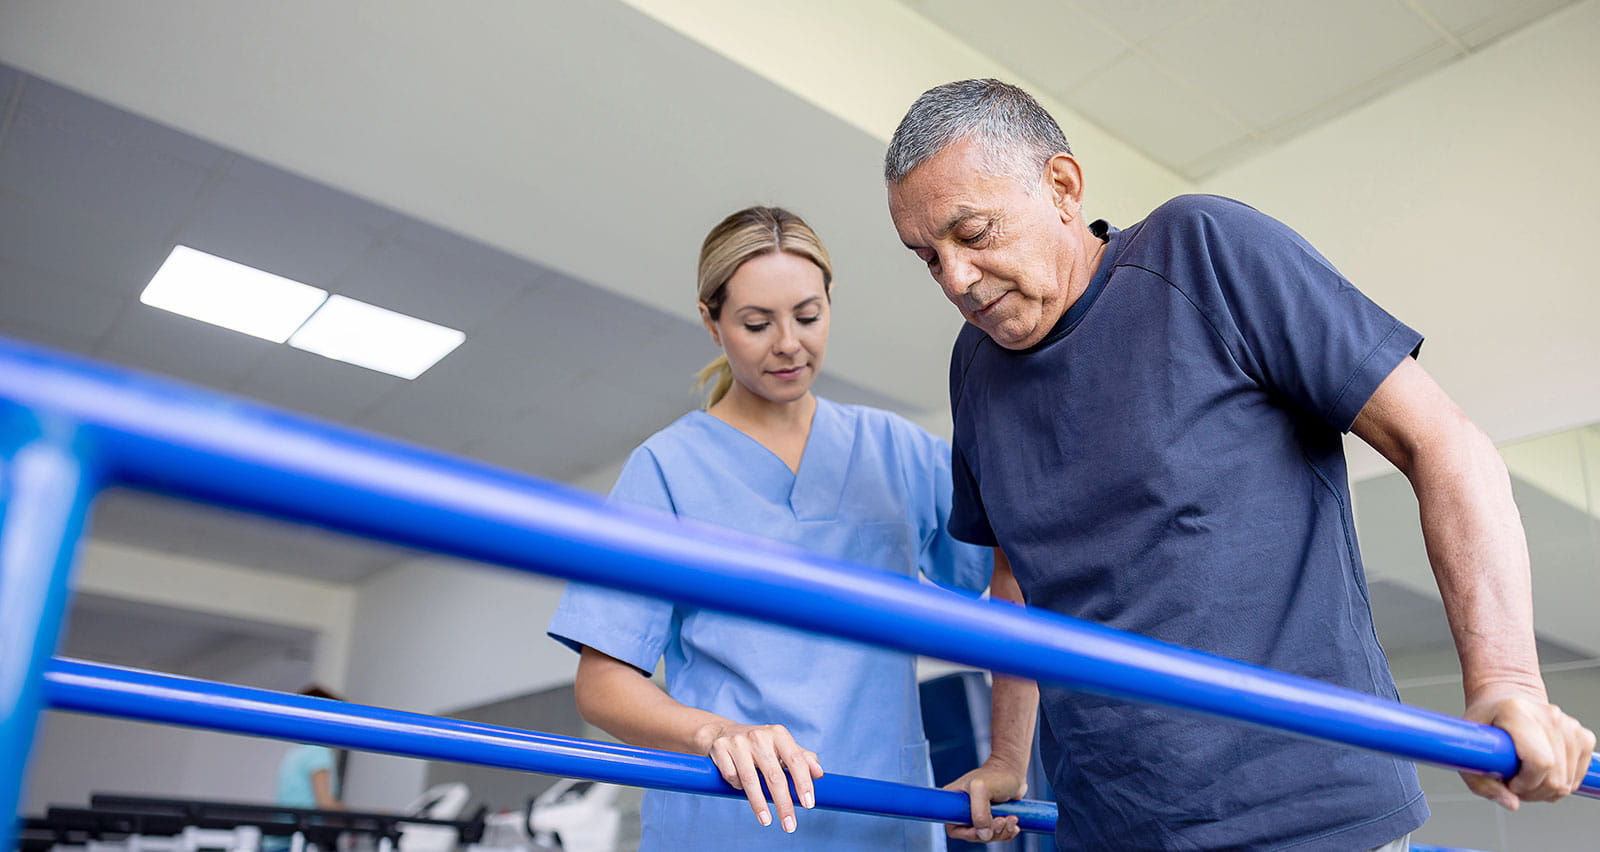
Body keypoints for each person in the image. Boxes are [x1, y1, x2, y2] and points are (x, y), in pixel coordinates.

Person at [882, 79, 1596, 852]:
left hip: (1307, 817)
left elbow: (1443, 444)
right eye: (928, 259)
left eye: (974, 233)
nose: (954, 279)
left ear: (1061, 186)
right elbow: (1018, 578)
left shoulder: (1201, 251)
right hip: (1108, 827)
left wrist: (1509, 684)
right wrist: (1007, 758)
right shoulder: (975, 369)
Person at [546, 206, 992, 851]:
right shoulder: (667, 469)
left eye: (808, 316)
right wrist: (715, 735)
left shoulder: (895, 449)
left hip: (880, 816)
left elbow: (1004, 572)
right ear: (711, 321)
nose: (789, 343)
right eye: (757, 324)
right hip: (732, 820)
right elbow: (603, 684)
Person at [275, 687, 347, 812]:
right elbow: (325, 804)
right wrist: (370, 819)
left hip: (285, 828)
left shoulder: (295, 753)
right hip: (301, 828)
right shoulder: (318, 751)